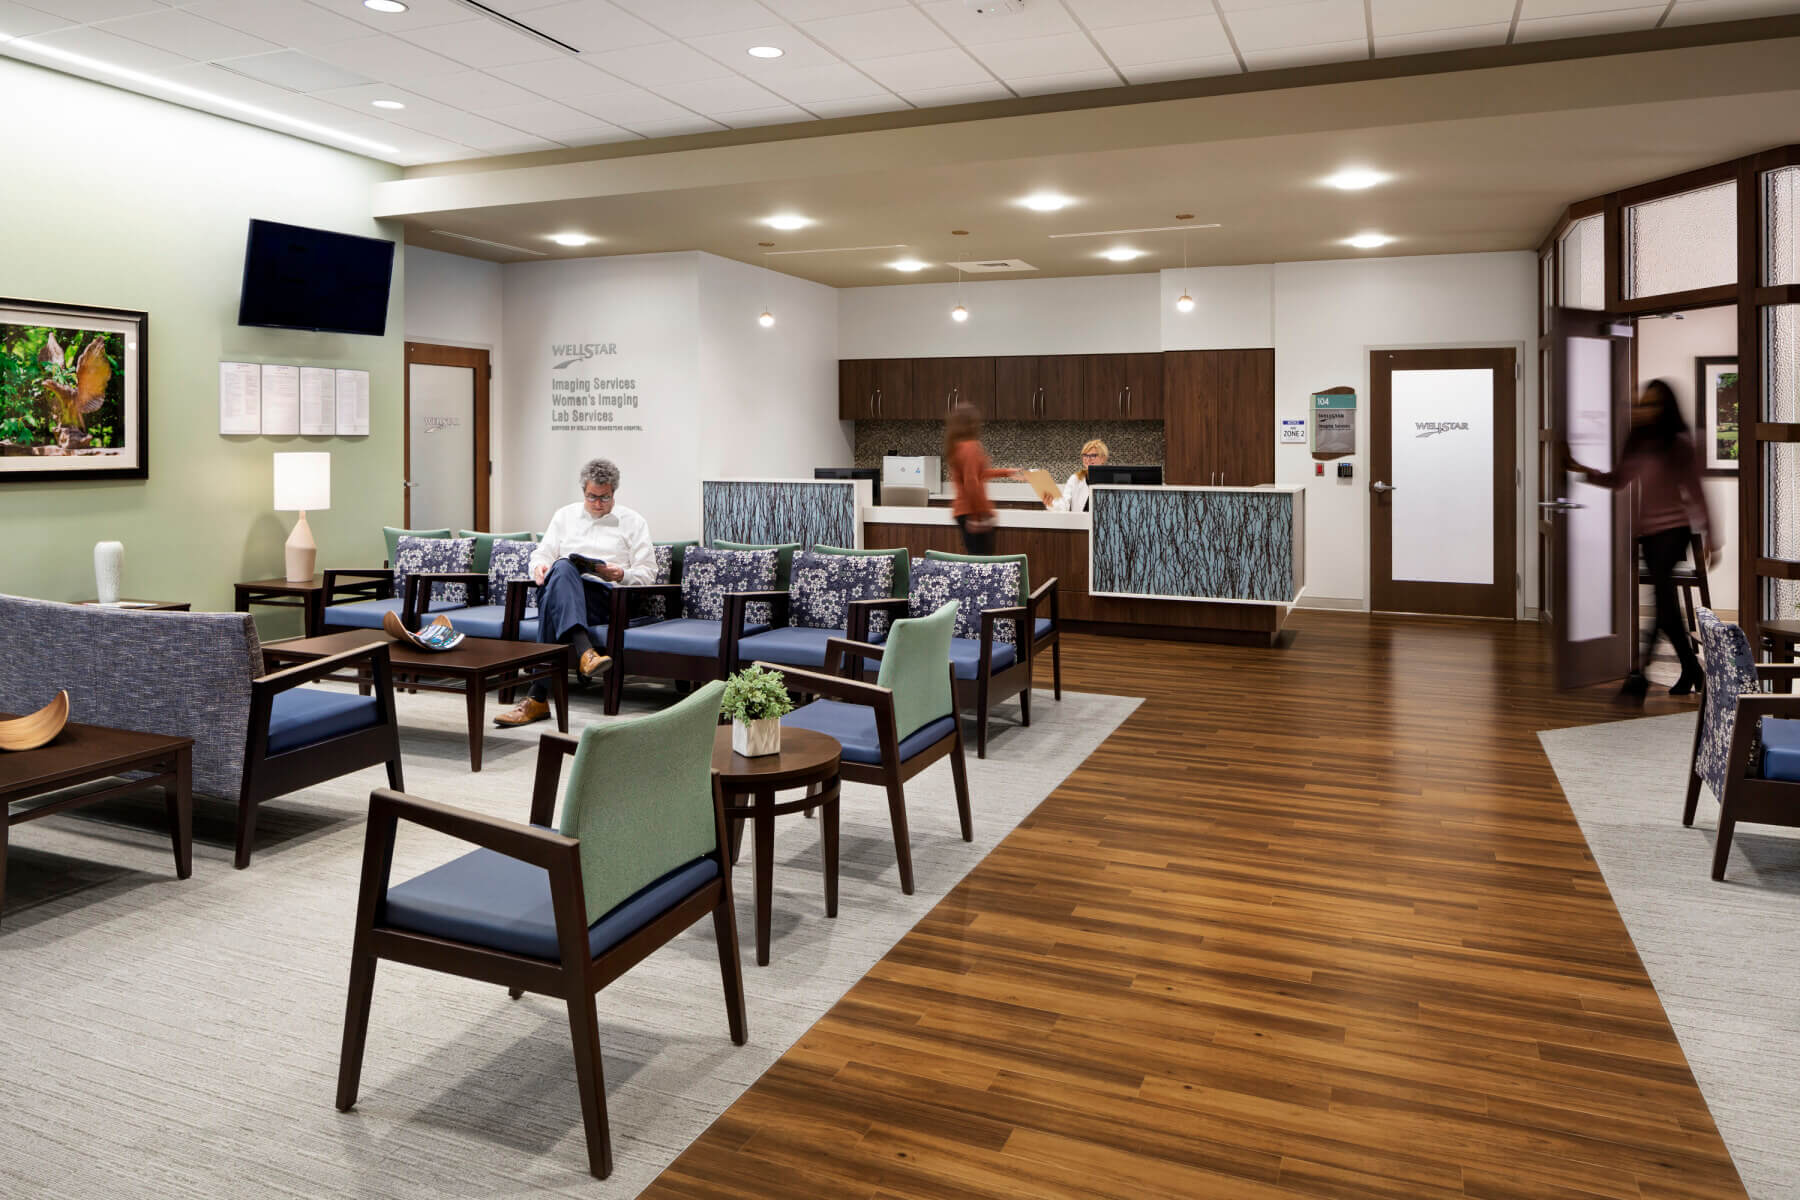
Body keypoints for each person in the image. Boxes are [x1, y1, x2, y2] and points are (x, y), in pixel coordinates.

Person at [1567, 378, 1719, 700]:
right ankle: (1689, 668)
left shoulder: (1678, 444)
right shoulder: (1637, 442)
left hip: (1673, 531)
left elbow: (1697, 490)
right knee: (1665, 608)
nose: (1644, 409)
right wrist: (1581, 469)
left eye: (1652, 404)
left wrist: (1712, 536)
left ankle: (1641, 674)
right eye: (1642, 403)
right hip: (1648, 534)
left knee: (1663, 601)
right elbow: (1618, 480)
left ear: (1665, 409)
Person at [494, 458, 655, 727]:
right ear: (584, 491)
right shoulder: (564, 516)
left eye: (605, 497)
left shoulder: (633, 522)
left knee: (556, 589)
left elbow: (648, 573)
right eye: (592, 496)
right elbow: (541, 554)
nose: (598, 503)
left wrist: (620, 574)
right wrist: (539, 568)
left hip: (606, 599)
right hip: (566, 590)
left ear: (614, 492)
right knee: (563, 567)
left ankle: (537, 698)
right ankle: (586, 654)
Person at [945, 403, 1023, 554]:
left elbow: (976, 474)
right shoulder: (971, 447)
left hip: (962, 511)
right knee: (982, 564)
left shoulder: (958, 447)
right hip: (972, 512)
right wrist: (979, 515)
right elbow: (971, 482)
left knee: (976, 562)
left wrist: (1006, 472)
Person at [1044, 439, 1109, 513]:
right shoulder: (1075, 479)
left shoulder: (1110, 480)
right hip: (1079, 522)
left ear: (1103, 458)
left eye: (1093, 455)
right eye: (1085, 455)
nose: (1088, 459)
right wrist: (1052, 502)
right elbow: (1064, 505)